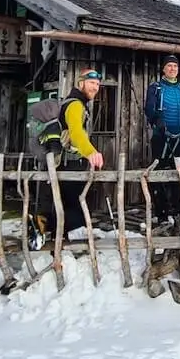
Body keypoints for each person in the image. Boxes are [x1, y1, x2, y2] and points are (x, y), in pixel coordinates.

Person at [38, 69, 106, 235]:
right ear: (81, 83)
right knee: (76, 210)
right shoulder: (75, 105)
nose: (95, 87)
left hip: (63, 162)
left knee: (66, 207)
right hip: (69, 163)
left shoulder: (72, 103)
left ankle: (53, 235)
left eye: (97, 84)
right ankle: (49, 231)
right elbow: (76, 133)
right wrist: (91, 152)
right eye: (91, 83)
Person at [144, 55, 180, 221]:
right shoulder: (155, 88)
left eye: (175, 67)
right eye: (169, 66)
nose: (172, 69)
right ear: (163, 69)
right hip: (161, 137)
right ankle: (161, 213)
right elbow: (148, 108)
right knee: (159, 174)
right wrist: (157, 120)